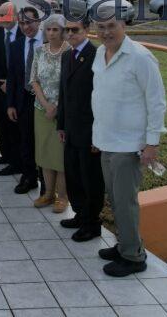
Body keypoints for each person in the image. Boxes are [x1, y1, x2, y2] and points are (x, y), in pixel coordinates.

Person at [92, 7, 167, 277]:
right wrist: (96, 136)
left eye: (112, 25)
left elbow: (156, 102)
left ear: (124, 25)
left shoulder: (140, 57)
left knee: (125, 202)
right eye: (101, 27)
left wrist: (152, 143)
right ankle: (124, 244)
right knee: (114, 198)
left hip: (128, 144)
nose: (106, 32)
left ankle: (134, 257)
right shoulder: (100, 53)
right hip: (106, 140)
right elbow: (101, 96)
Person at [56, 15, 103, 242]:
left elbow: (101, 97)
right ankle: (79, 214)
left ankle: (92, 223)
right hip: (71, 128)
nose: (70, 34)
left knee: (90, 178)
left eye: (75, 30)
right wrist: (61, 125)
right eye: (67, 30)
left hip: (90, 129)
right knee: (73, 174)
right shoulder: (67, 56)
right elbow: (64, 93)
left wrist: (98, 133)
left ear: (87, 29)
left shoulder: (96, 56)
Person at [30, 14, 71, 212]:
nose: (52, 33)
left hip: (63, 112)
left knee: (60, 156)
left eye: (56, 29)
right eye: (49, 29)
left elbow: (72, 84)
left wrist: (57, 108)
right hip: (41, 110)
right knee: (45, 152)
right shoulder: (39, 51)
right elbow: (34, 80)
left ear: (63, 31)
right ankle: (48, 193)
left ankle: (63, 197)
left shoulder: (70, 52)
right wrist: (46, 106)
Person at [6, 7, 44, 195]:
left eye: (29, 22)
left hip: (45, 102)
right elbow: (12, 76)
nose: (26, 26)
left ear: (38, 21)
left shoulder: (49, 41)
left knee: (44, 142)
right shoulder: (16, 45)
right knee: (26, 141)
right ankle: (29, 177)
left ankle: (47, 183)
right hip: (23, 100)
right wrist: (11, 104)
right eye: (22, 23)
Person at [0, 2, 21, 178]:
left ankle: (18, 161)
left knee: (16, 125)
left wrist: (12, 82)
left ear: (15, 15)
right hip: (1, 88)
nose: (4, 18)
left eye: (7, 14)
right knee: (2, 123)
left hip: (19, 88)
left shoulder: (23, 34)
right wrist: (1, 81)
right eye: (1, 15)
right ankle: (7, 155)